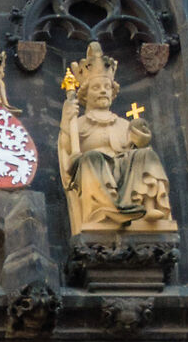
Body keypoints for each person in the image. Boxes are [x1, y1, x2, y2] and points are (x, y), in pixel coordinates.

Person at [57, 42, 176, 232]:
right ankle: (106, 209)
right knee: (91, 158)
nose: (103, 90)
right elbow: (67, 151)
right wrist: (66, 121)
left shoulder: (123, 124)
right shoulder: (78, 123)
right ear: (85, 95)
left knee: (146, 155)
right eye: (96, 87)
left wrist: (141, 135)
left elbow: (137, 145)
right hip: (95, 171)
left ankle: (150, 206)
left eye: (107, 87)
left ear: (113, 93)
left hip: (124, 172)